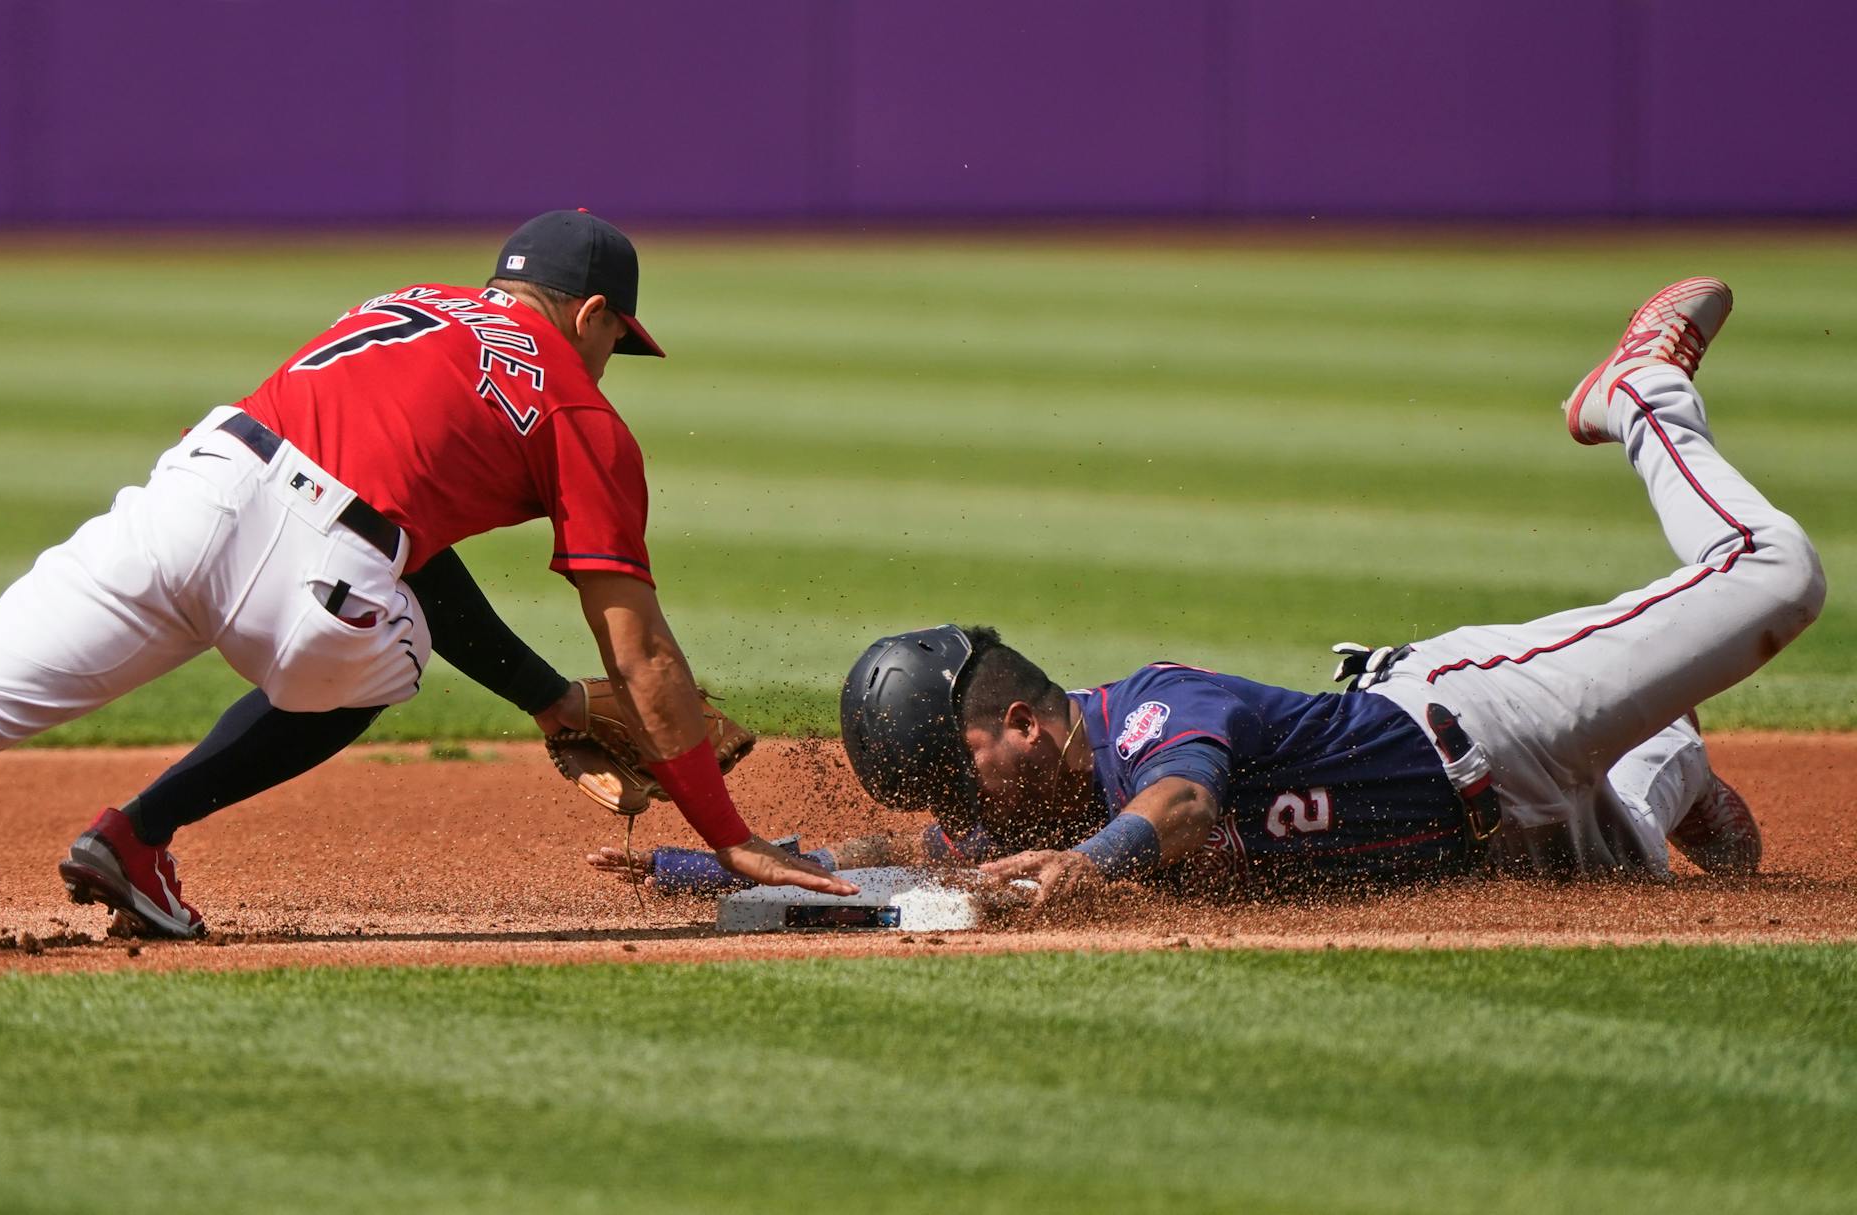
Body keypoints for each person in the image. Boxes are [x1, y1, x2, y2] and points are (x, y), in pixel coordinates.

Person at [0, 209, 854, 952]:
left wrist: (549, 702)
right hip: (329, 571)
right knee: (391, 656)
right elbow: (643, 650)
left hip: (196, 491)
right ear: (594, 315)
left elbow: (415, 540)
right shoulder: (578, 406)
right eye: (620, 335)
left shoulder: (403, 303)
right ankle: (139, 834)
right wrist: (726, 832)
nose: (615, 355)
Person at [594, 278, 1824, 905]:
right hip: (1510, 837)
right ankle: (1673, 756)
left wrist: (1099, 864)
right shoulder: (1032, 791)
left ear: (1023, 723)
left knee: (1778, 576)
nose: (957, 809)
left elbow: (1181, 806)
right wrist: (707, 864)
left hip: (1488, 718)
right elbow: (884, 858)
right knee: (1645, 869)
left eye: (955, 770)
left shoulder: (1146, 717)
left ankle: (1641, 395)